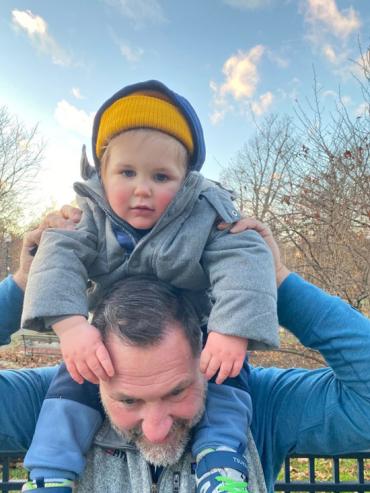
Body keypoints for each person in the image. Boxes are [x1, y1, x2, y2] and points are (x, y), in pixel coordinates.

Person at [21, 80, 278, 493]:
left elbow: (241, 257)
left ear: (187, 181)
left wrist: (234, 329)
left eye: (161, 175)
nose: (143, 189)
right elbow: (60, 254)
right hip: (97, 340)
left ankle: (221, 461)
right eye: (126, 172)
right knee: (76, 376)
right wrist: (69, 327)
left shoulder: (204, 214)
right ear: (102, 176)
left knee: (226, 372)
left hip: (210, 329)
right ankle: (50, 472)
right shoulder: (88, 216)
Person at [2, 218, 370, 492]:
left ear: (205, 356)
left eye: (177, 391)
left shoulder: (261, 405)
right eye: (128, 399)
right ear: (92, 368)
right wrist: (26, 285)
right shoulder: (51, 404)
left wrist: (273, 281)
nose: (157, 430)